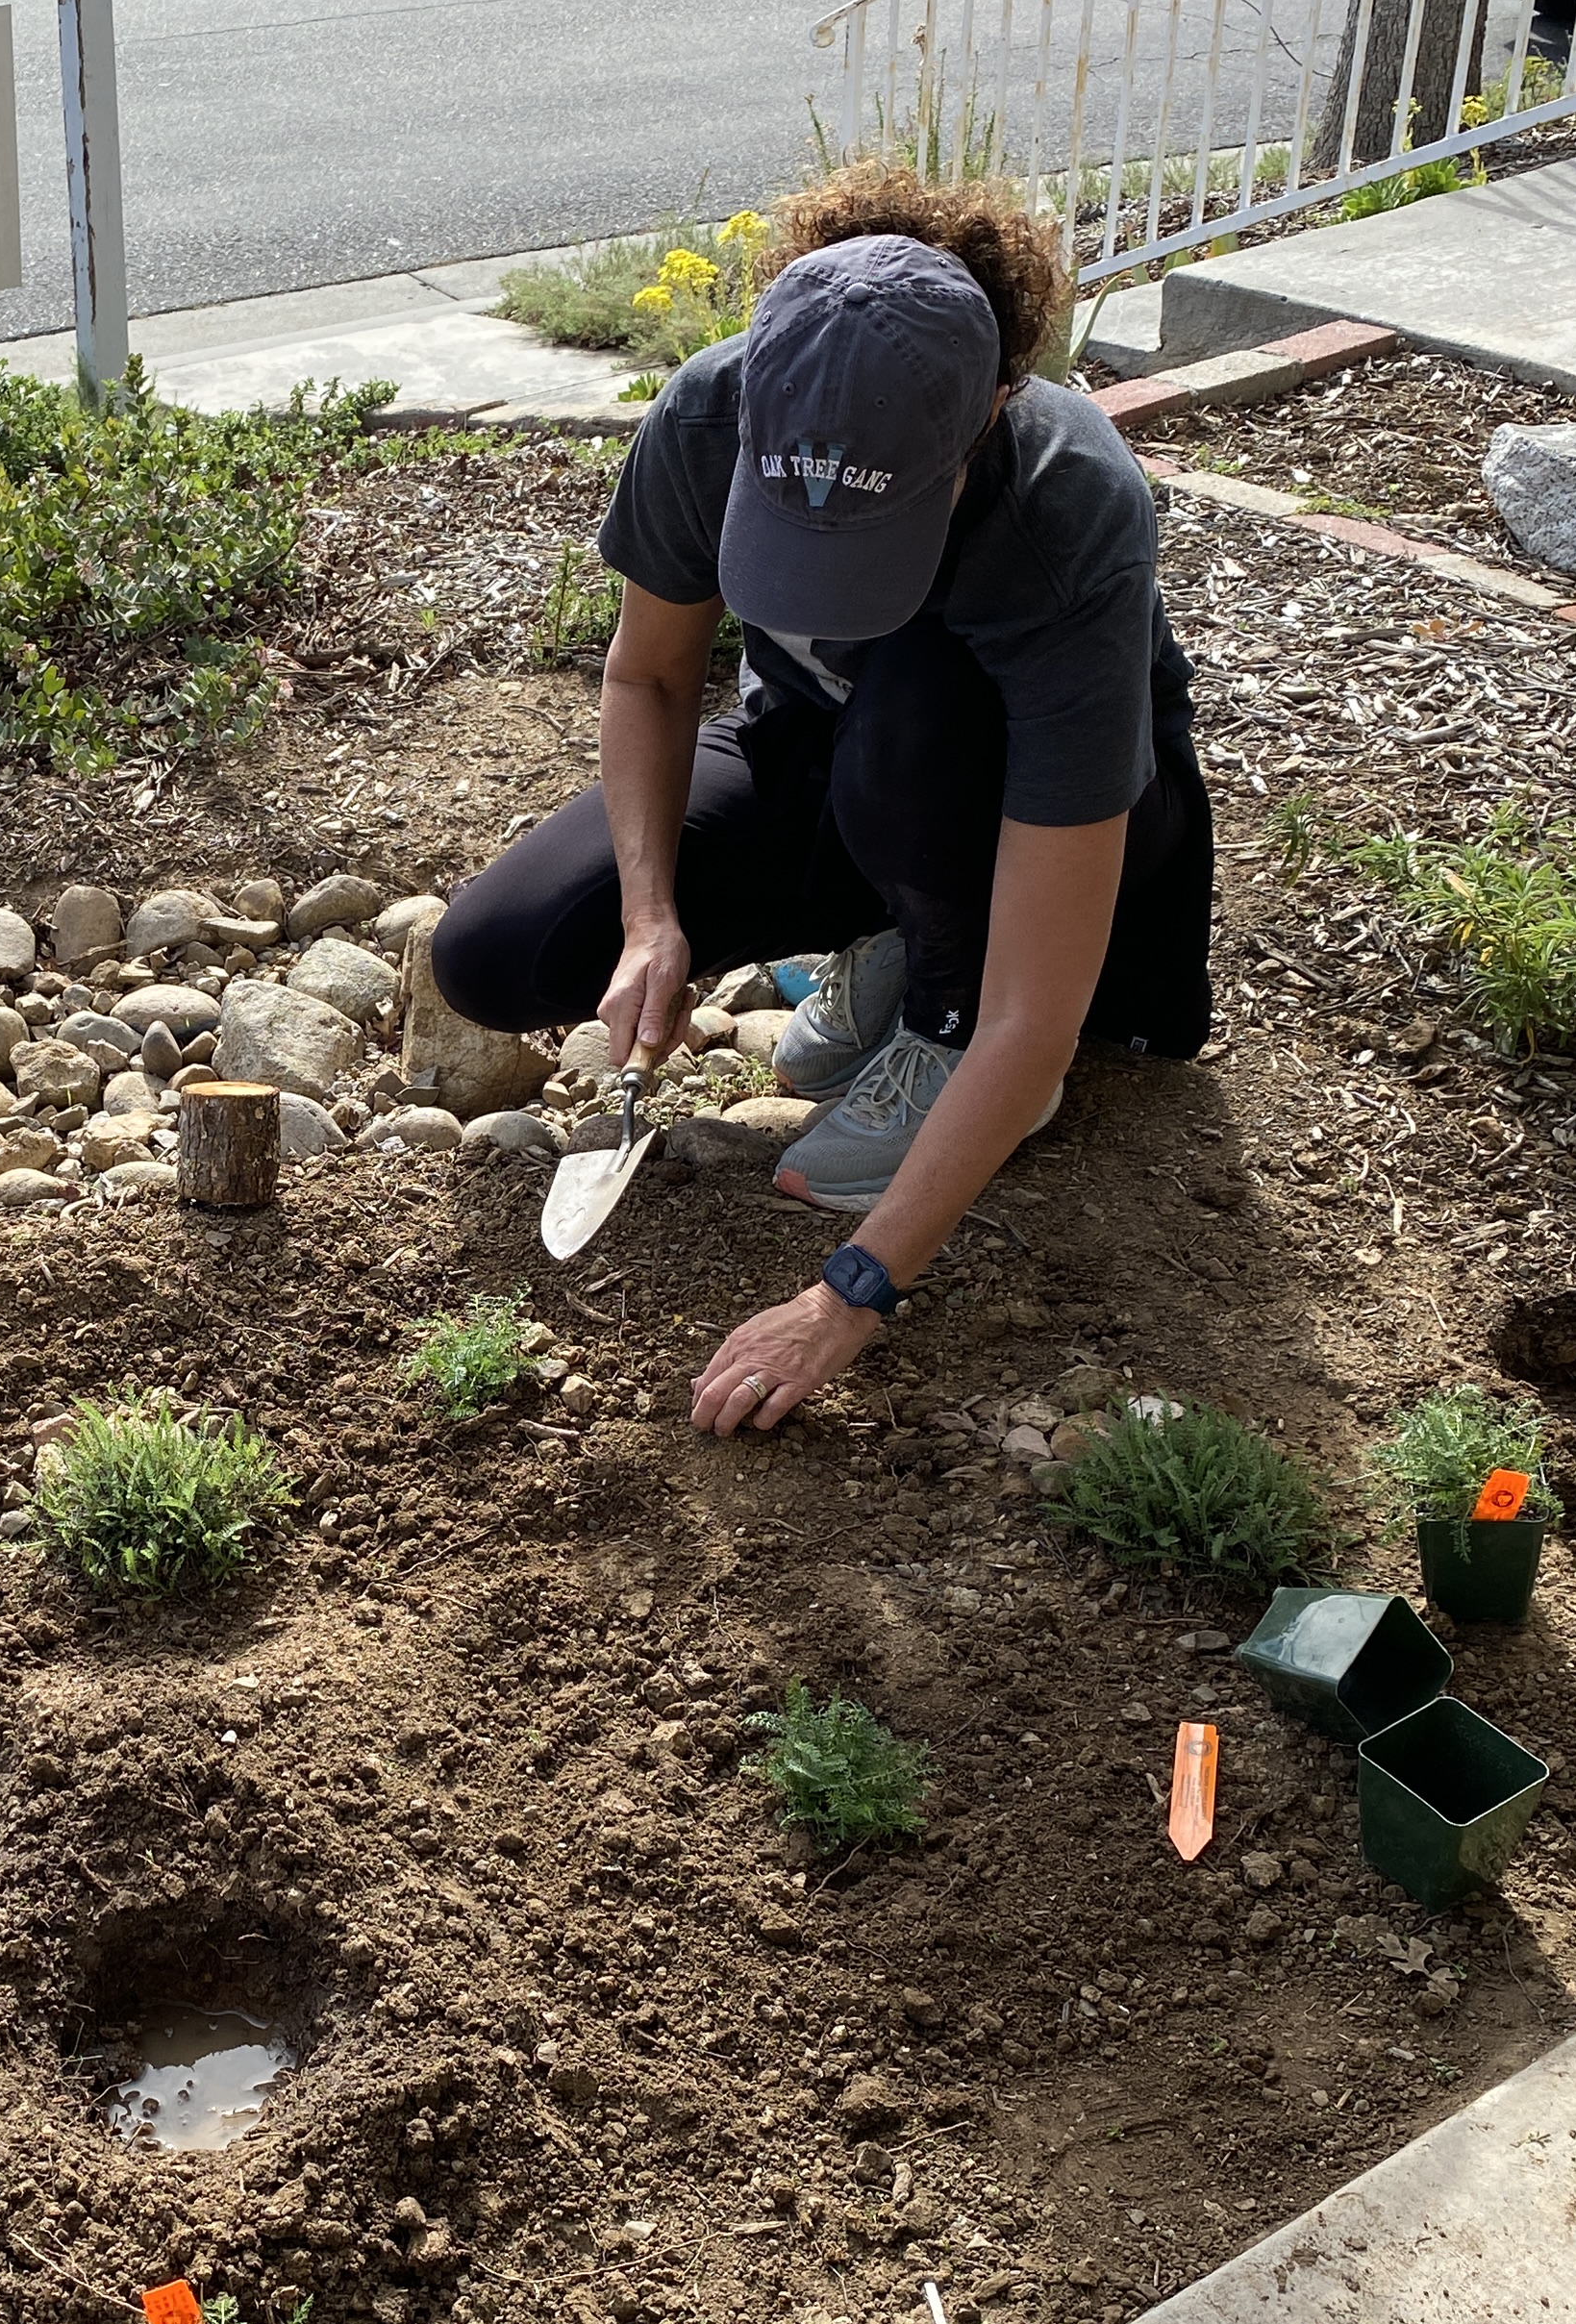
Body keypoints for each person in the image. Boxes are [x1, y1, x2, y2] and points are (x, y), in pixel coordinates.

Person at [427, 166, 1212, 1440]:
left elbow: (1041, 1017)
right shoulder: (714, 406)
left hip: (1047, 812)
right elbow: (652, 670)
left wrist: (851, 1294)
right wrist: (648, 920)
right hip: (827, 757)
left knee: (911, 727)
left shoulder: (1066, 503)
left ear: (990, 414)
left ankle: (938, 1005)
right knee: (502, 954)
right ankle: (902, 940)